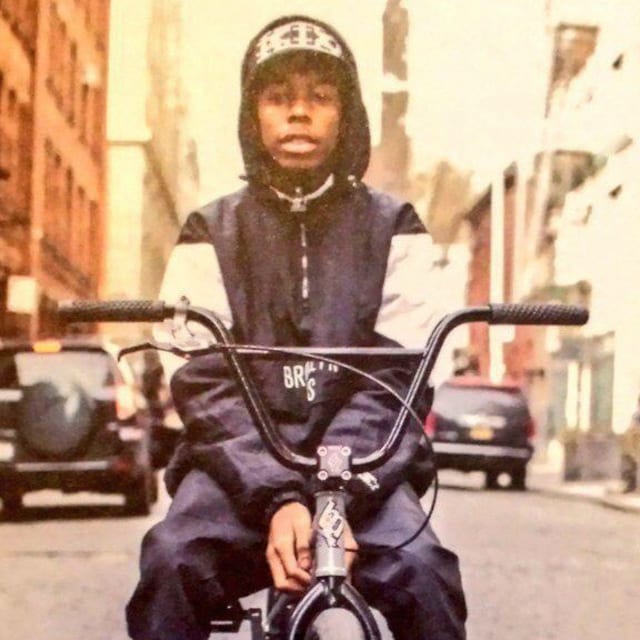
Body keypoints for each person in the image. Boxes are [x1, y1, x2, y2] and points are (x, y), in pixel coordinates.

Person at [126, 15, 467, 640]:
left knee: (426, 573)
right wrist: (278, 495)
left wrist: (334, 497)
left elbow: (398, 378)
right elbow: (204, 385)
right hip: (236, 474)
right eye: (279, 97)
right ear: (252, 115)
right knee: (172, 562)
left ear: (347, 115)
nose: (299, 113)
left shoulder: (396, 228)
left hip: (365, 473)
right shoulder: (209, 232)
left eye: (321, 96)